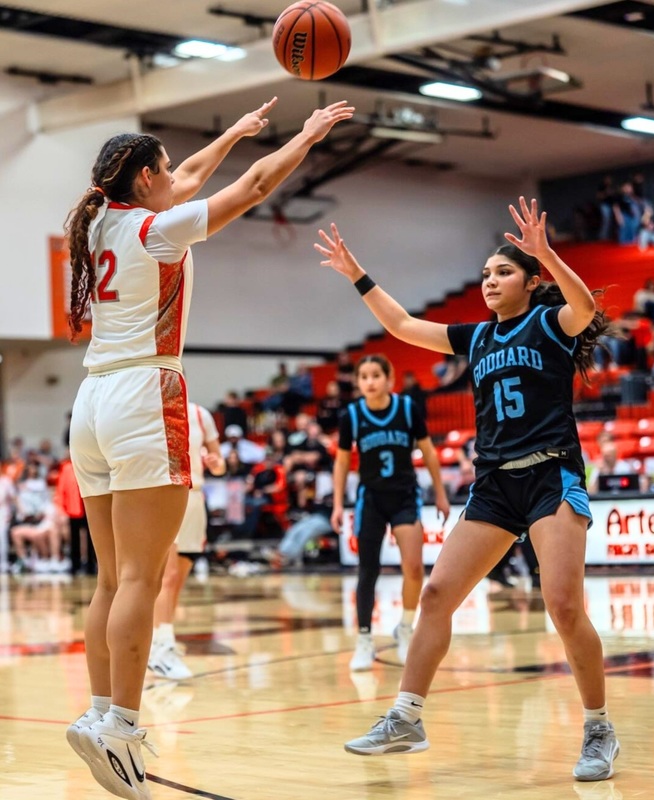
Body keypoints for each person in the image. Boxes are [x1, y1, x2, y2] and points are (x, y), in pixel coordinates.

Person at [63, 95, 354, 800]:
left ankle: (101, 710)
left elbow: (190, 175)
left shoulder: (100, 217)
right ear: (143, 180)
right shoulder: (158, 232)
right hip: (143, 396)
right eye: (162, 170)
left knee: (110, 580)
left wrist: (232, 132)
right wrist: (307, 137)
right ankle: (124, 727)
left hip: (92, 401)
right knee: (141, 577)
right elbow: (250, 189)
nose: (175, 177)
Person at [314, 197, 620, 782]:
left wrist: (546, 252)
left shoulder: (549, 324)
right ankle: (407, 717)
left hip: (551, 474)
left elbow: (582, 304)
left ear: (531, 282)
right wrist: (357, 275)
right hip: (495, 485)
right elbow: (402, 325)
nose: (489, 281)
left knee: (562, 604)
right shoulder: (475, 338)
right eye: (483, 274)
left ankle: (599, 727)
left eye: (502, 271)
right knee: (435, 596)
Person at [332, 354, 450, 671]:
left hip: (404, 496)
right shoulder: (352, 415)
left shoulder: (408, 409)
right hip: (370, 498)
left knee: (413, 567)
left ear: (389, 379)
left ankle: (406, 627)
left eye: (375, 375)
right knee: (367, 571)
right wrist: (337, 504)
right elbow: (342, 461)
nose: (370, 381)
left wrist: (440, 492)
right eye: (364, 377)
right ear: (357, 383)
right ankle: (364, 640)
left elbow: (427, 451)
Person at [148, 401, 225, 680]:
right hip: (166, 495)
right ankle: (162, 647)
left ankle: (160, 640)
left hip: (195, 498)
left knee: (178, 577)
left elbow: (219, 464)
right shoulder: (150, 411)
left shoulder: (200, 414)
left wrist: (217, 464)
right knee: (166, 576)